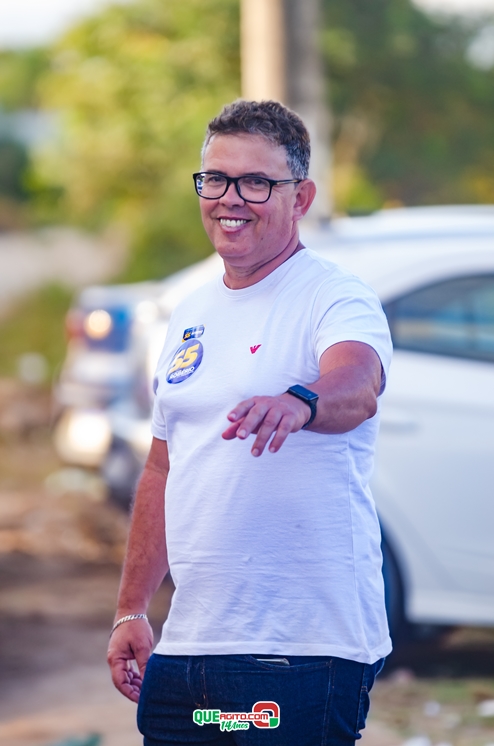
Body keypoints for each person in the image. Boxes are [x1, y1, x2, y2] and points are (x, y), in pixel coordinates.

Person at [107, 99, 393, 746]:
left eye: (257, 182)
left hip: (299, 655)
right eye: (216, 179)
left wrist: (300, 401)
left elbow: (358, 384)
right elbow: (163, 468)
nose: (230, 199)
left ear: (301, 198)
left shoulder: (333, 296)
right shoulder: (190, 312)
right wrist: (131, 609)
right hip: (190, 656)